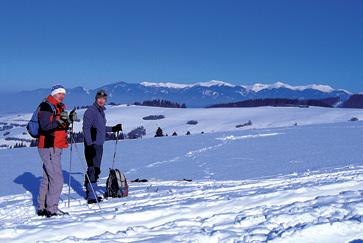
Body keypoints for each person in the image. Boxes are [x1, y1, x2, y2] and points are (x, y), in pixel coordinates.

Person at [37, 84, 76, 217]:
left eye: (63, 94)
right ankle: (51, 209)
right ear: (53, 94)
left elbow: (60, 125)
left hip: (56, 145)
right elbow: (45, 126)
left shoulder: (59, 107)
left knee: (48, 178)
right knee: (57, 179)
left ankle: (42, 207)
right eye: (59, 93)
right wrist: (60, 120)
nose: (62, 96)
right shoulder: (46, 106)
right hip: (49, 146)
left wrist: (68, 119)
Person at [83, 90, 122, 204]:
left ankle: (91, 191)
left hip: (99, 144)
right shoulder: (91, 111)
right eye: (100, 98)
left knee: (96, 169)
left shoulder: (100, 112)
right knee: (92, 169)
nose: (101, 100)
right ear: (96, 99)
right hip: (92, 144)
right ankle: (91, 195)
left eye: (104, 99)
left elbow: (101, 128)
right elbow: (86, 129)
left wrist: (113, 129)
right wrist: (89, 145)